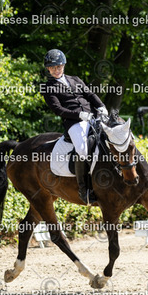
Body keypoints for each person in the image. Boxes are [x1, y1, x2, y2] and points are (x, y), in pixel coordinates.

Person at [41, 49, 108, 204]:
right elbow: (58, 109)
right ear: (48, 69)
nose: (56, 70)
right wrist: (79, 115)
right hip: (74, 122)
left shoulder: (75, 79)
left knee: (115, 135)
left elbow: (90, 95)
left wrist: (101, 106)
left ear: (63, 65)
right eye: (53, 68)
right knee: (82, 149)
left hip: (93, 116)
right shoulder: (48, 87)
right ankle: (84, 189)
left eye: (59, 66)